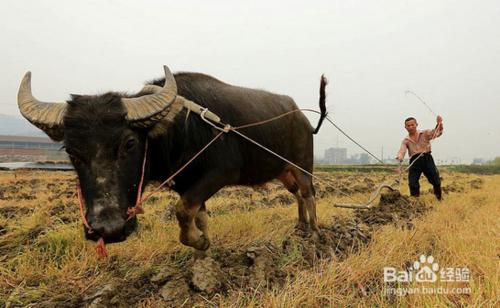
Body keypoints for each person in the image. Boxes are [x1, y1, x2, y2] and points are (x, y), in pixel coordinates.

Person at [396, 116, 443, 200]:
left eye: (412, 125)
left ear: (416, 124)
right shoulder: (406, 140)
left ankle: (439, 198)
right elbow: (402, 151)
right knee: (412, 183)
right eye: (408, 126)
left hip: (426, 158)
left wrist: (439, 124)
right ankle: (415, 200)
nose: (410, 127)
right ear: (405, 127)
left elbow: (436, 133)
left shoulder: (425, 133)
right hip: (414, 161)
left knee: (435, 180)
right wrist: (399, 157)